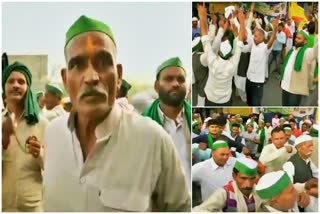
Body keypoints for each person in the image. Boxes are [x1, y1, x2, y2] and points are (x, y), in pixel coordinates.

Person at [43, 15, 190, 212]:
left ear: (119, 75)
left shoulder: (153, 140)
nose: (91, 77)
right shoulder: (52, 135)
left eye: (103, 62)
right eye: (78, 65)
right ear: (65, 78)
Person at [2, 62, 48, 211]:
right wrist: (4, 140)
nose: (15, 85)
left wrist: (39, 154)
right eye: (11, 81)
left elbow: (52, 167)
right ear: (4, 87)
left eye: (21, 82)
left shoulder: (42, 123)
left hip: (32, 206)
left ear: (28, 88)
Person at [143, 56, 191, 191]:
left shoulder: (192, 119)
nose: (175, 84)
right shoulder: (142, 125)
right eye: (169, 79)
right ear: (156, 86)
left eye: (181, 79)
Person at [198, 4, 246, 106]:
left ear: (219, 52)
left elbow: (205, 38)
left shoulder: (212, 60)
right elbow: (240, 42)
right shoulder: (233, 63)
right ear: (230, 54)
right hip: (226, 100)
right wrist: (241, 21)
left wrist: (202, 17)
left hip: (210, 98)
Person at [193, 157, 261, 212]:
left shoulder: (259, 190)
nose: (248, 185)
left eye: (252, 179)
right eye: (243, 178)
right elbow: (198, 210)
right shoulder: (225, 193)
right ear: (234, 176)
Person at [246, 17, 278, 106]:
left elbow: (272, 41)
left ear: (261, 37)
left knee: (256, 102)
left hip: (258, 81)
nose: (253, 37)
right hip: (249, 78)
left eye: (256, 36)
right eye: (254, 35)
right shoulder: (253, 44)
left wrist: (275, 29)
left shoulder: (265, 48)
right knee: (249, 100)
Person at [280, 30, 318, 106]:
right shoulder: (291, 50)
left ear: (305, 41)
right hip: (284, 86)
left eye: (299, 38)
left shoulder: (307, 52)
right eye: (296, 37)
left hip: (295, 90)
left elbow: (316, 50)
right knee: (284, 105)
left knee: (292, 107)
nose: (296, 40)